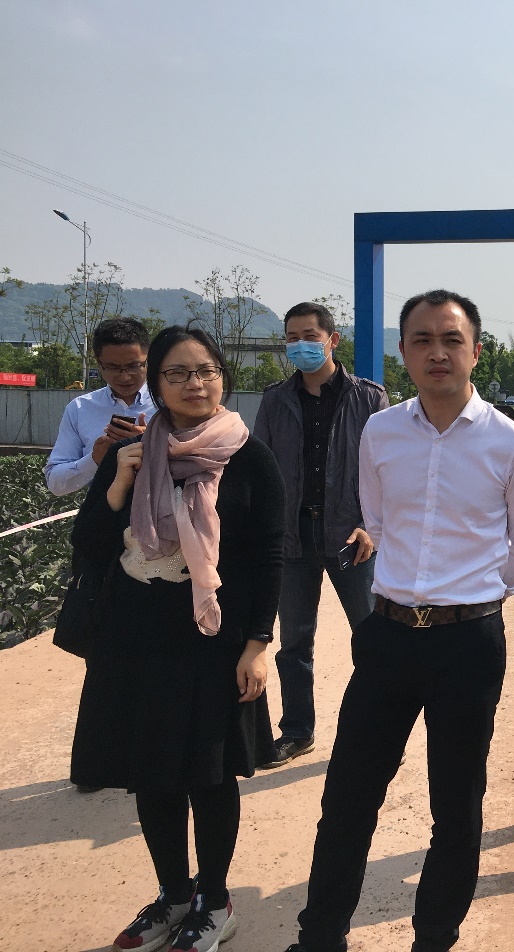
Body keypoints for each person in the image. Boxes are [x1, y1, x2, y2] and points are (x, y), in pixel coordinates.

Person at [283, 289, 514, 952]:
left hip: (468, 643)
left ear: (476, 350)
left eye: (451, 339)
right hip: (387, 635)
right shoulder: (381, 431)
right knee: (347, 797)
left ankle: (434, 938)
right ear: (402, 351)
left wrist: (481, 594)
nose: (437, 352)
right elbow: (376, 516)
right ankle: (319, 938)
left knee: (455, 807)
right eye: (422, 339)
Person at [69, 324, 284, 952]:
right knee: (152, 772)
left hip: (212, 638)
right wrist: (117, 484)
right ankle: (172, 894)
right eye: (178, 373)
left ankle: (214, 901)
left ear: (222, 377)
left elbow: (270, 555)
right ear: (156, 384)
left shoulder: (249, 456)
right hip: (135, 637)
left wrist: (258, 644)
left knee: (209, 776)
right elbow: (90, 546)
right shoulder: (132, 450)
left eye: (206, 370)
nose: (195, 383)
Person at [254, 300, 389, 768]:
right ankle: (297, 731)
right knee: (294, 642)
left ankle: (378, 731)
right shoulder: (275, 400)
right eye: (291, 338)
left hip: (351, 536)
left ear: (332, 340)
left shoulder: (369, 398)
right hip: (292, 537)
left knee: (372, 638)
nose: (300, 346)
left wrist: (371, 525)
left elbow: (386, 471)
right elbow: (262, 468)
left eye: (309, 336)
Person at [45, 316, 157, 496]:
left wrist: (152, 443)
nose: (124, 377)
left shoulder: (166, 405)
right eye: (112, 367)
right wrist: (95, 459)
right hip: (101, 512)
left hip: (160, 511)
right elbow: (55, 483)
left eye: (134, 366)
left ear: (148, 360)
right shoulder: (79, 409)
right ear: (99, 364)